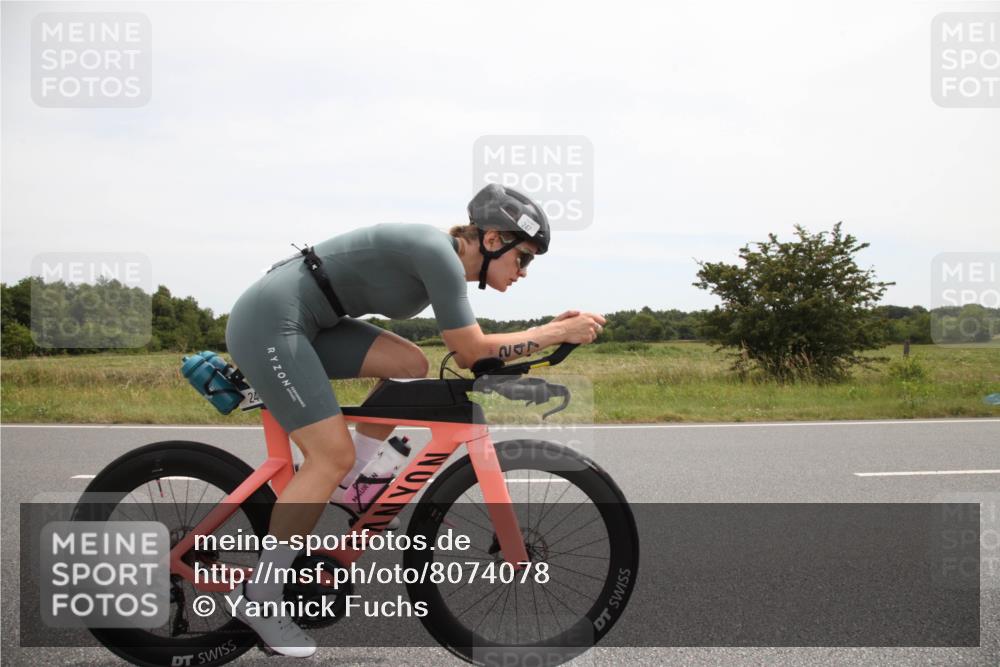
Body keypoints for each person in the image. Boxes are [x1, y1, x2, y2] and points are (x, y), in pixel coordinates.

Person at [222, 183, 606, 656]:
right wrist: (553, 331)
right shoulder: (438, 254)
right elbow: (469, 352)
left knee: (409, 364)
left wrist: (550, 333)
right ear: (491, 241)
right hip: (271, 321)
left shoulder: (444, 261)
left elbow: (470, 350)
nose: (523, 271)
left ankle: (351, 480)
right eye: (522, 257)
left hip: (309, 321)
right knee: (328, 456)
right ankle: (260, 598)